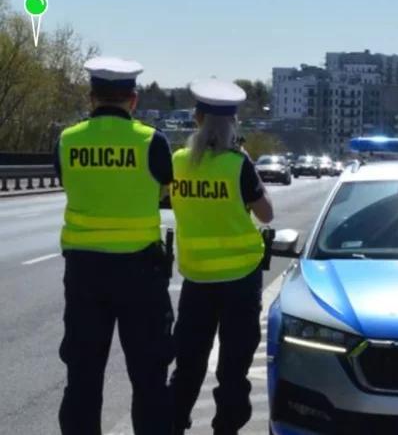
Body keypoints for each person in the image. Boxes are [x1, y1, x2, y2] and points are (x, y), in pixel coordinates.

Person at [54, 56, 175, 435]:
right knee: (149, 377)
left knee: (83, 377)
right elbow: (163, 191)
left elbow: (66, 181)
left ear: (91, 98)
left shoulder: (67, 141)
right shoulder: (151, 142)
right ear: (133, 100)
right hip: (140, 274)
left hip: (84, 274)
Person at [169, 78, 274, 435]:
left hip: (196, 280)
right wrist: (246, 163)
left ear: (197, 120)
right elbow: (266, 215)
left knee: (187, 364)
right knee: (232, 368)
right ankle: (225, 429)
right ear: (233, 125)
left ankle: (173, 424)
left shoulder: (179, 162)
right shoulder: (237, 165)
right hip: (240, 281)